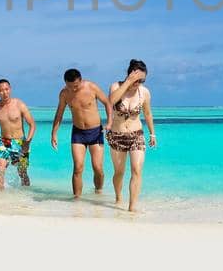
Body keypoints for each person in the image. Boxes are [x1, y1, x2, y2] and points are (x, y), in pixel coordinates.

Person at [50, 68, 110, 198]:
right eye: (70, 86)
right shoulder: (64, 94)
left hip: (96, 132)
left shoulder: (91, 87)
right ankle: (77, 199)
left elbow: (107, 103)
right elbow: (59, 114)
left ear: (80, 81)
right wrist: (54, 133)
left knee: (98, 168)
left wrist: (110, 123)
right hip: (78, 133)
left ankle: (98, 192)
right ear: (65, 83)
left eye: (76, 86)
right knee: (78, 167)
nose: (73, 89)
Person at [106, 59, 157, 212]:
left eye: (142, 80)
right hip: (117, 135)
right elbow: (111, 102)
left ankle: (132, 207)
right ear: (129, 75)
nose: (139, 83)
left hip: (137, 135)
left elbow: (147, 113)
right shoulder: (116, 86)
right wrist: (128, 82)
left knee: (136, 170)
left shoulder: (144, 92)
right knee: (119, 172)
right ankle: (118, 197)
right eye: (137, 79)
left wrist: (152, 134)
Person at [0, 78, 36, 188]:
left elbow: (32, 125)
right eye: (1, 90)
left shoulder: (19, 104)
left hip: (20, 142)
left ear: (10, 89)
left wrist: (28, 141)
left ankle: (26, 197)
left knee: (22, 173)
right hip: (4, 142)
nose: (4, 93)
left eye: (6, 89)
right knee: (0, 169)